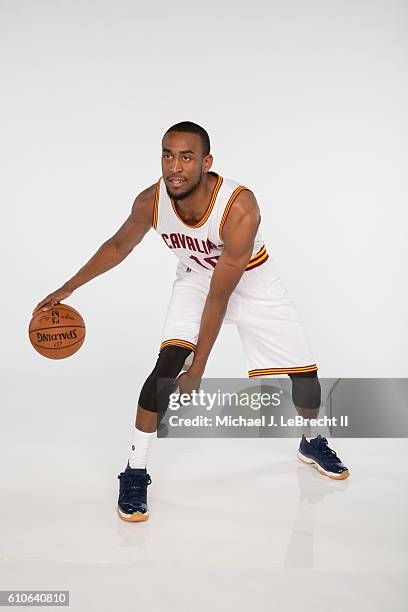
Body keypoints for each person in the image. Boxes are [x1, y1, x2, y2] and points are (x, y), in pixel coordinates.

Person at [33, 121, 349, 522]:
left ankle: (311, 440)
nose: (175, 167)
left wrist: (198, 367)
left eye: (186, 157)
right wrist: (67, 289)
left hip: (252, 280)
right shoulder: (151, 200)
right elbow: (117, 246)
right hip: (196, 278)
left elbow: (222, 293)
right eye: (168, 155)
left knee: (306, 381)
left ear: (206, 162)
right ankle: (135, 469)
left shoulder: (239, 206)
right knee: (164, 370)